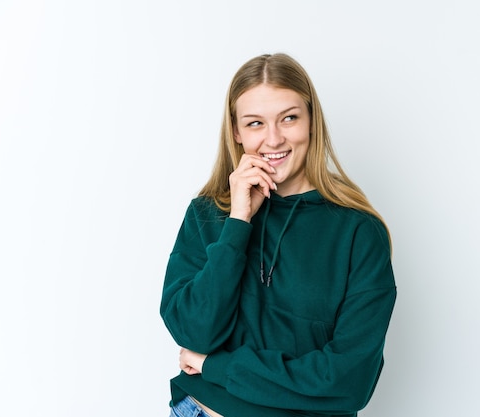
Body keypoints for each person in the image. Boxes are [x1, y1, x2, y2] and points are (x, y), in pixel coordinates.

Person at [160, 53, 396, 417]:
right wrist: (238, 223)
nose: (273, 139)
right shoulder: (208, 214)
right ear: (236, 132)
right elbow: (194, 334)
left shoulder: (359, 233)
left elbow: (349, 382)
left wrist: (217, 367)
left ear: (311, 121)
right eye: (255, 123)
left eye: (288, 118)